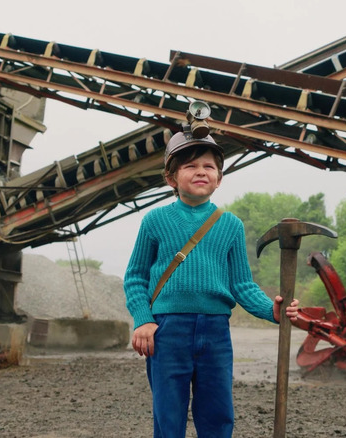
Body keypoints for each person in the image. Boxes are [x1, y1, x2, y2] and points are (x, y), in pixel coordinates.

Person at [123, 128, 300, 438]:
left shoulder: (230, 225)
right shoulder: (154, 221)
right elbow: (135, 277)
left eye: (209, 166)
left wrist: (270, 310)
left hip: (215, 331)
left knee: (217, 414)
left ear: (219, 179)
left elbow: (242, 284)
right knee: (168, 415)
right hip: (167, 330)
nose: (201, 171)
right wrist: (143, 320)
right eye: (190, 166)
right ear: (171, 178)